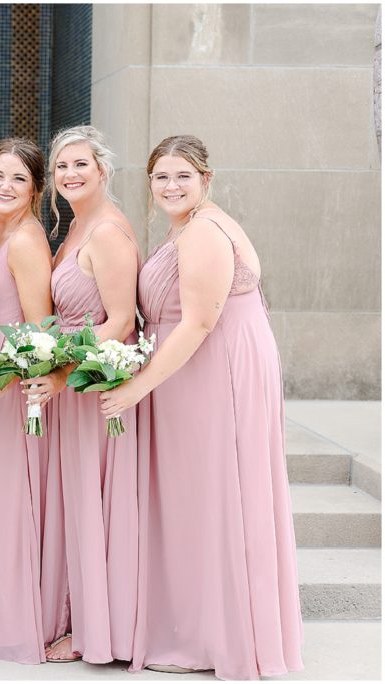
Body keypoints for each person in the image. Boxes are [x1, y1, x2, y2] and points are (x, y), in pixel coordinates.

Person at [100, 135, 303, 679]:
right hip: (196, 369)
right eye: (161, 177)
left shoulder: (205, 232)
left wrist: (135, 388)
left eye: (182, 176)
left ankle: (215, 635)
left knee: (212, 495)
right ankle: (197, 621)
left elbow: (199, 323)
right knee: (199, 497)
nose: (170, 186)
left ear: (205, 180)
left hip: (209, 372)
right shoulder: (189, 226)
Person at [23, 125, 140, 664]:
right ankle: (72, 614)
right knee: (73, 504)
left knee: (93, 509)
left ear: (103, 171)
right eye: (63, 166)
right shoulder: (74, 228)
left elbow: (118, 323)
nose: (70, 174)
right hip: (72, 384)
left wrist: (61, 364)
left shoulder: (109, 233)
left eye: (81, 165)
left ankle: (95, 631)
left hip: (94, 388)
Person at [0, 138, 68, 664]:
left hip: (11, 392)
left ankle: (18, 628)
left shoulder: (25, 242)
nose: (4, 187)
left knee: (8, 510)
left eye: (19, 179)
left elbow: (39, 333)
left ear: (38, 189)